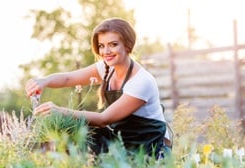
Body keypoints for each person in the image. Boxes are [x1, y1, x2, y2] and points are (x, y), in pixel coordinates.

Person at [25, 17, 170, 159]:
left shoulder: (141, 81)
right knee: (74, 128)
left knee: (78, 123)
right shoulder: (107, 68)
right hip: (121, 139)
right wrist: (44, 81)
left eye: (113, 44)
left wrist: (60, 111)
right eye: (101, 45)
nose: (106, 51)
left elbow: (103, 119)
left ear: (127, 45)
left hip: (148, 147)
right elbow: (68, 78)